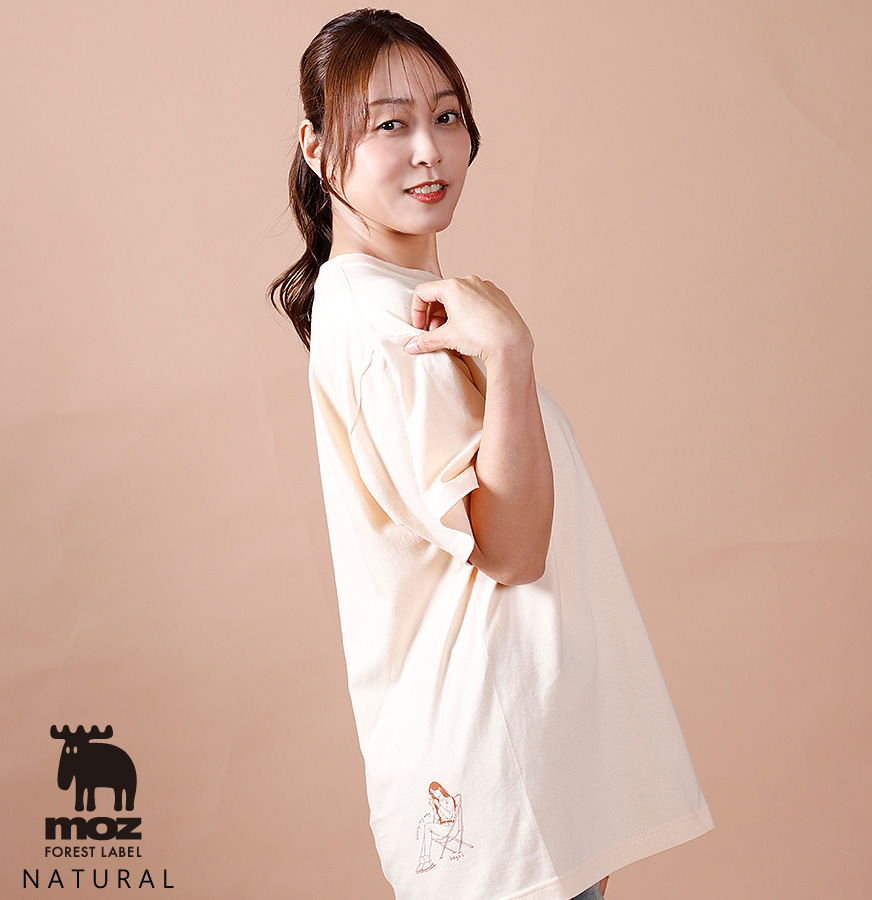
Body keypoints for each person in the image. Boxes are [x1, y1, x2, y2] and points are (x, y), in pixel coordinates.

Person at [268, 9, 714, 900]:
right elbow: (511, 549)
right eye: (388, 125)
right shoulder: (383, 321)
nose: (428, 150)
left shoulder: (409, 300)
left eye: (446, 116)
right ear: (317, 150)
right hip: (489, 771)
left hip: (520, 766)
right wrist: (509, 353)